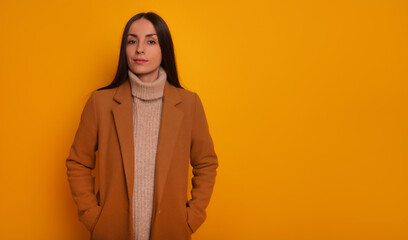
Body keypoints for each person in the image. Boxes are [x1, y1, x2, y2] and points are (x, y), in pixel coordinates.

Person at [65, 12, 218, 240]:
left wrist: (191, 218)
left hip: (171, 232)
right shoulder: (100, 103)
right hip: (111, 231)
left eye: (151, 41)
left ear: (163, 48)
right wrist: (92, 217)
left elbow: (206, 163)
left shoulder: (189, 104)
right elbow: (78, 162)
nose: (139, 49)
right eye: (132, 40)